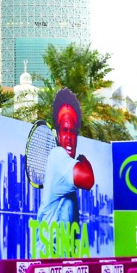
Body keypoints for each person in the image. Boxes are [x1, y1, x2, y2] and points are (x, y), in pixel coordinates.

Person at [35, 88, 95, 225]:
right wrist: (83, 159)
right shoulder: (57, 156)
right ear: (57, 133)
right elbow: (88, 179)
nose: (68, 137)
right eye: (64, 130)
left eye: (72, 131)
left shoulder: (66, 169)